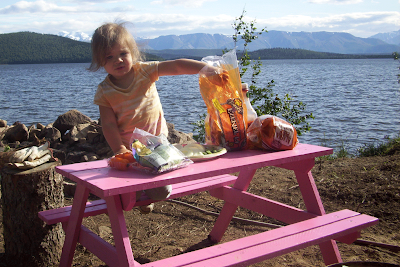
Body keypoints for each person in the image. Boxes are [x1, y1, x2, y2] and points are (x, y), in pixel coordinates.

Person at [89, 22, 227, 213]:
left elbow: (177, 66)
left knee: (161, 192)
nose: (118, 60)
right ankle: (138, 199)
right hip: (130, 151)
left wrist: (206, 69)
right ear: (99, 61)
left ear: (132, 52)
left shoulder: (145, 71)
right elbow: (109, 125)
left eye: (123, 54)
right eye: (109, 57)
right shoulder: (105, 91)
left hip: (158, 145)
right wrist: (119, 149)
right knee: (127, 197)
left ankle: (148, 198)